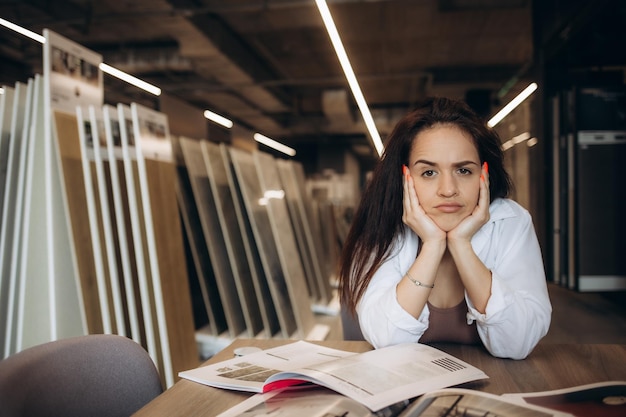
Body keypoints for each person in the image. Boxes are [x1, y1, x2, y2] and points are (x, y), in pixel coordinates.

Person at [338, 97, 552, 360]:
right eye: (429, 172)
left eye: (463, 170)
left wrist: (461, 245)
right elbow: (388, 341)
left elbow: (519, 343)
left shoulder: (511, 223)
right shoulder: (381, 226)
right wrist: (433, 245)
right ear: (404, 178)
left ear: (483, 176)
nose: (448, 189)